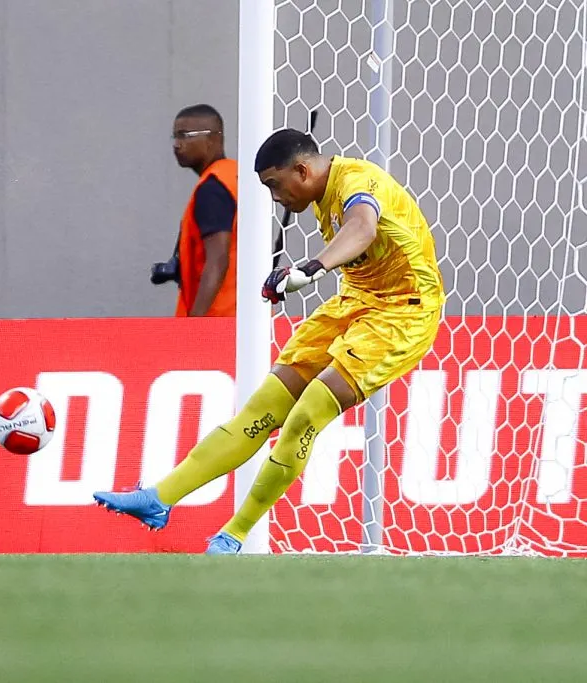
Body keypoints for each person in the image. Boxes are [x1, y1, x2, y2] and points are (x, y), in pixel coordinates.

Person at [95, 128, 445, 554]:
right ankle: (159, 497)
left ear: (302, 170)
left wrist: (310, 268)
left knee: (307, 412)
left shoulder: (357, 180)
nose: (275, 197)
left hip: (403, 312)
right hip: (355, 302)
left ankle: (235, 534)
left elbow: (363, 228)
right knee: (263, 408)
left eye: (275, 185)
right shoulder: (321, 194)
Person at [150, 104, 238, 316]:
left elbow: (218, 259)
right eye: (175, 137)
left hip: (220, 323)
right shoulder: (235, 177)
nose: (177, 145)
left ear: (213, 138)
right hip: (244, 316)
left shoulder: (213, 188)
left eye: (185, 136)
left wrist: (194, 328)